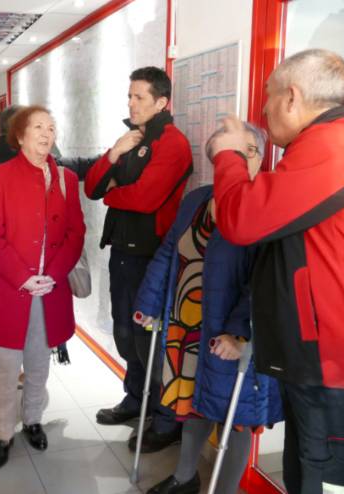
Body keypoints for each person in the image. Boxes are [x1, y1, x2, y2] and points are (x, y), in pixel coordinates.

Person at [209, 49, 344, 493]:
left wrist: (229, 155)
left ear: (291, 97)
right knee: (310, 469)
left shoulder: (337, 146)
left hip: (343, 369)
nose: (263, 110)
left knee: (322, 476)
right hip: (336, 362)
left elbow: (241, 219)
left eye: (268, 96)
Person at [134, 124, 282, 494]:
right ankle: (185, 477)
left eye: (249, 151)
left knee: (235, 415)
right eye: (229, 151)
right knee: (194, 405)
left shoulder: (267, 204)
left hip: (230, 332)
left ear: (260, 157)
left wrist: (239, 332)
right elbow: (170, 250)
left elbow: (267, 279)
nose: (239, 158)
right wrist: (149, 303)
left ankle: (225, 489)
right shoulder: (198, 199)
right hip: (187, 325)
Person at [0, 105, 85, 469]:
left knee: (38, 360)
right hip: (9, 287)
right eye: (38, 127)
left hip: (49, 290)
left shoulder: (66, 179)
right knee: (5, 365)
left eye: (51, 127)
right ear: (20, 136)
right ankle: (3, 433)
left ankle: (33, 419)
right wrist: (23, 276)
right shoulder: (0, 175)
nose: (47, 134)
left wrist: (54, 273)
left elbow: (76, 232)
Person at [84, 66, 193, 452]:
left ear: (161, 102)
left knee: (151, 339)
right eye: (129, 96)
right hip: (122, 252)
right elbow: (92, 187)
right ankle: (136, 399)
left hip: (152, 257)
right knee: (125, 332)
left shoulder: (173, 144)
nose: (131, 103)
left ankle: (166, 419)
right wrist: (115, 152)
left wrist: (115, 191)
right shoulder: (131, 138)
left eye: (139, 97)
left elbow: (146, 199)